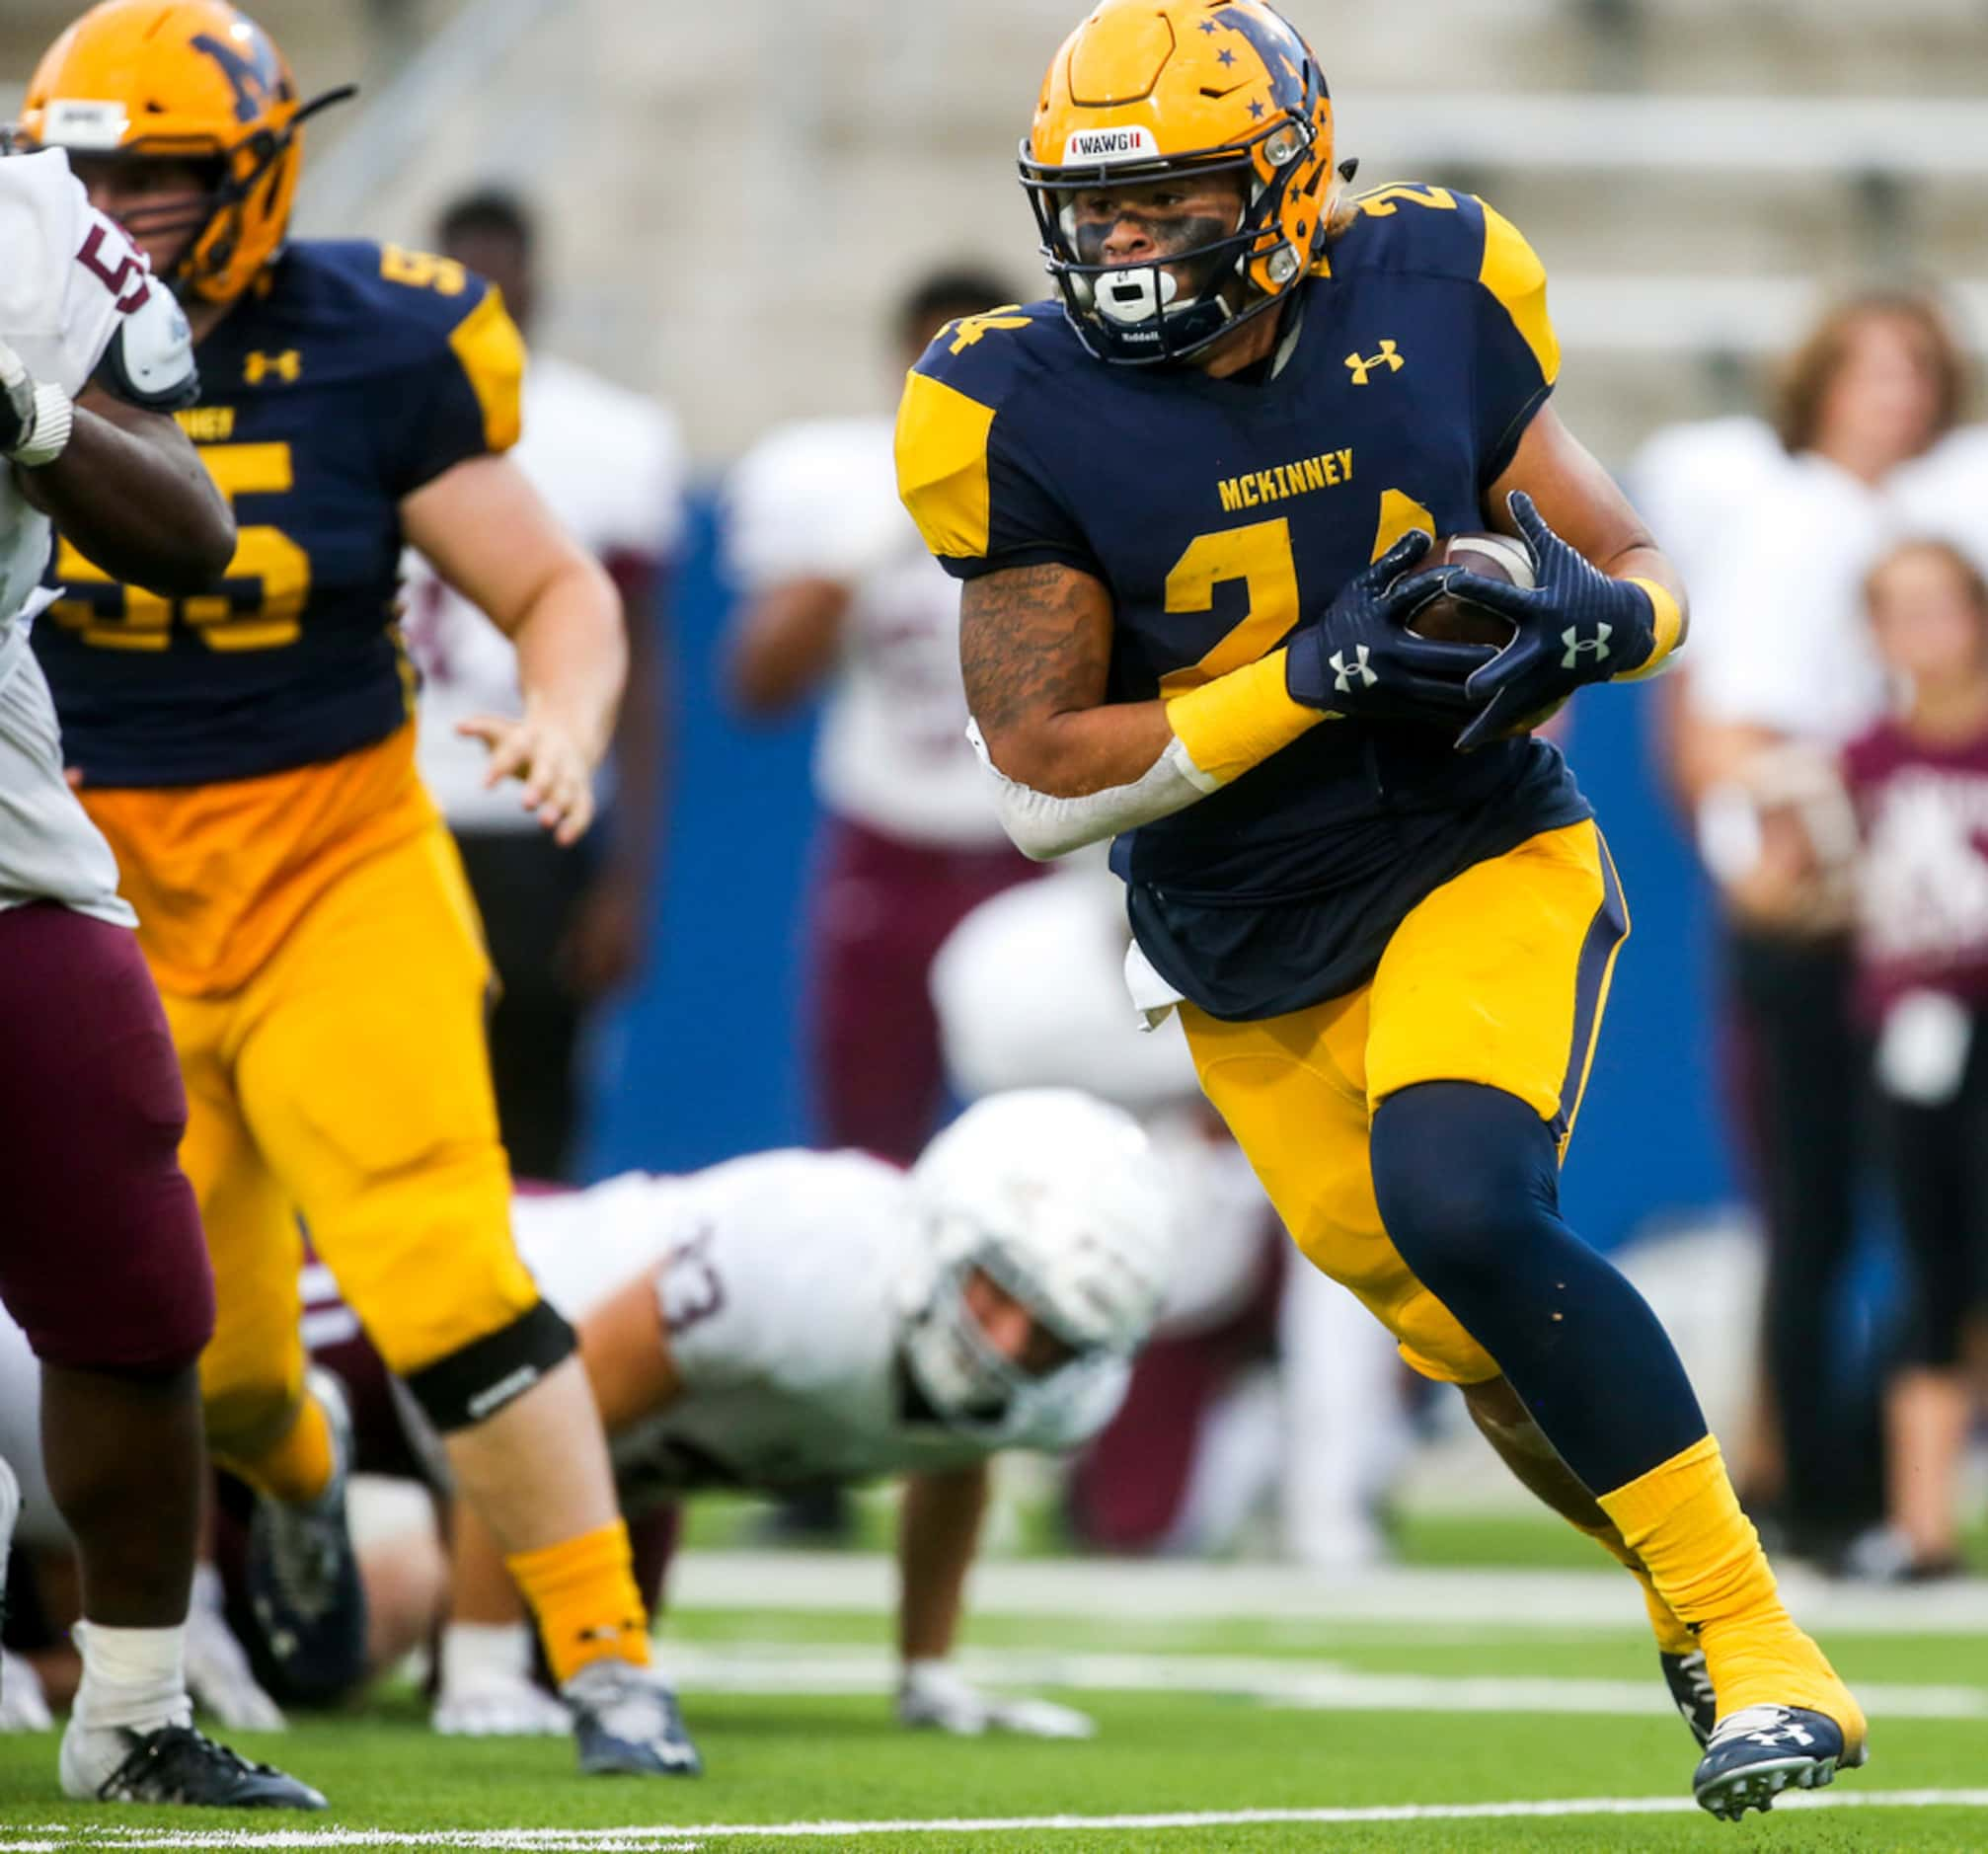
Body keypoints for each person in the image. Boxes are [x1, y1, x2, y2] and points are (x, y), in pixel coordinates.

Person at [893, 0, 1864, 1818]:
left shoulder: (1428, 281)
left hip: (1467, 849)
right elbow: (1037, 774)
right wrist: (1309, 675)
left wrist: (1593, 623)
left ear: (1275, 189)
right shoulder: (1002, 397)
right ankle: (1705, 1605)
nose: (1118, 247)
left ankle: (1754, 1641)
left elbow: (1635, 571)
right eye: (1092, 212)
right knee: (1490, 1352)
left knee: (1462, 1194)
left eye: (1165, 206)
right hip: (1239, 942)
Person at [16, 0, 692, 1776]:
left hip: (337, 856)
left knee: (442, 1264)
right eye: (82, 169)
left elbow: (556, 588)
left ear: (247, 173)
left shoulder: (374, 336)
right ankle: (303, 1478)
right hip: (97, 883)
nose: (115, 208)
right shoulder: (27, 313)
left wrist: (562, 715)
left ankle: (607, 1652)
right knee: (208, 1355)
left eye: (154, 175)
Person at [0, 1091, 1173, 1743]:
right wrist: (481, 1662)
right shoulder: (814, 1260)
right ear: (942, 1235)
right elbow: (530, 1398)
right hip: (450, 1320)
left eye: (1056, 1333)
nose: (1013, 1349)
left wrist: (927, 1674)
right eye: (1001, 1298)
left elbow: (955, 1455)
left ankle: (60, 1666)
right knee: (160, 1407)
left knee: (320, 1656)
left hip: (603, 1458)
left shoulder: (1059, 1390)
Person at [0, 141, 320, 1807]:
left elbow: (193, 530)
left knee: (137, 1287)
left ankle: (128, 1707)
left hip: (7, 836)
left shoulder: (42, 218)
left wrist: (26, 417)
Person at [1674, 294, 1976, 1565]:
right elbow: (1722, 727)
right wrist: (1774, 859)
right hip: (1817, 914)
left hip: (1905, 930)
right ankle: (1799, 1483)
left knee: (1925, 1213)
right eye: (1868, 372)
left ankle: (1846, 1470)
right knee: (1812, 1210)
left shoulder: (1915, 516)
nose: (1894, 395)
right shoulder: (1786, 522)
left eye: (1914, 371)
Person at [723, 267, 1039, 1166]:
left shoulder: (1068, 477)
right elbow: (757, 685)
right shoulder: (843, 482)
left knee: (1042, 1151)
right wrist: (860, 544)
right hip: (888, 852)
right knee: (865, 1152)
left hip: (1035, 856)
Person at [404, 188, 682, 1182]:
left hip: (537, 824)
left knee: (532, 1129)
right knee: (382, 1116)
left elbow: (644, 668)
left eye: (498, 262)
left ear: (538, 278)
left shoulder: (605, 437)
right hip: (384, 821)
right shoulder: (360, 405)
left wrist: (626, 878)